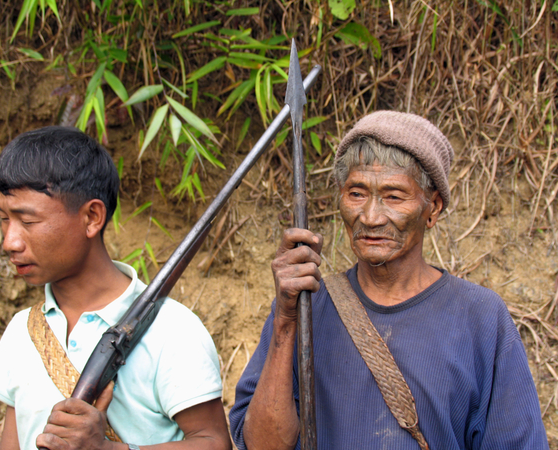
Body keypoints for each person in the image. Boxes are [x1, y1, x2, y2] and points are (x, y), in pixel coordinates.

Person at [229, 111, 549, 449]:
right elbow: (262, 445)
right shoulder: (306, 305)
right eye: (356, 193)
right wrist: (285, 320)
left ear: (433, 207)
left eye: (394, 196)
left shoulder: (480, 317)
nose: (370, 216)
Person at [0, 127, 231, 450]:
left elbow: (214, 443)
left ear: (92, 217)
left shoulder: (173, 331)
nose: (10, 241)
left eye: (27, 221)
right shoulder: (22, 332)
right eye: (4, 219)